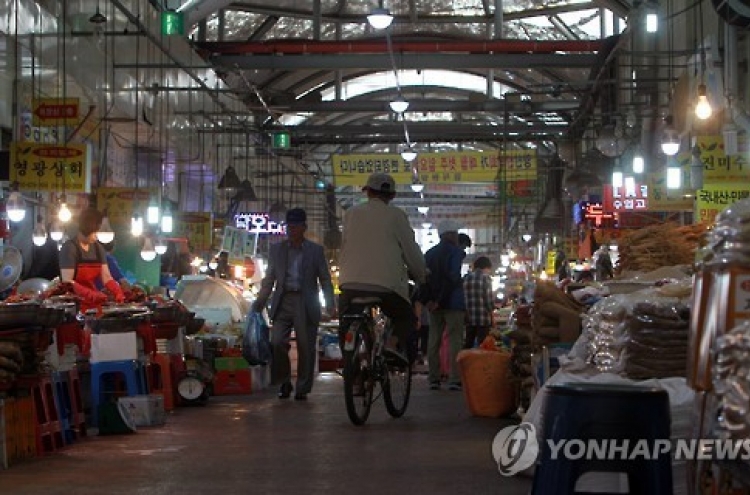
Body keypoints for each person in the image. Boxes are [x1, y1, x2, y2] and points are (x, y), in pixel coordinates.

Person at [338, 172, 427, 363]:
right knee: (406, 318)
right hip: (386, 287)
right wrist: (420, 274)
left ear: (368, 192)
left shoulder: (351, 214)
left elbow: (345, 245)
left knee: (346, 321)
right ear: (392, 196)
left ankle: (351, 370)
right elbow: (411, 251)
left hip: (349, 283)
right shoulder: (397, 215)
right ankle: (391, 344)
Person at [251, 208, 335, 401]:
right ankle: (283, 382)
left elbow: (324, 279)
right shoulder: (277, 250)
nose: (291, 230)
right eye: (289, 226)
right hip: (283, 300)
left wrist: (330, 303)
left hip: (306, 302)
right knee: (277, 342)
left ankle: (303, 387)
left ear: (303, 227)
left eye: (295, 226)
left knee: (306, 346)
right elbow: (269, 279)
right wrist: (259, 302)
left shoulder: (315, 251)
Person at [422, 219, 466, 391]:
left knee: (434, 340)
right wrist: (441, 299)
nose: (456, 237)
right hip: (453, 302)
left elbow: (424, 279)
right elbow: (453, 277)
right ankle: (454, 379)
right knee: (455, 340)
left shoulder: (429, 253)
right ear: (449, 235)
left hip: (434, 304)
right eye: (455, 233)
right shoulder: (456, 252)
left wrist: (431, 301)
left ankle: (433, 378)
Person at [59, 208, 125, 312]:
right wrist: (91, 294)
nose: (97, 237)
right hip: (74, 306)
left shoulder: (98, 248)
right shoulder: (70, 248)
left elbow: (106, 277)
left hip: (93, 307)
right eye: (95, 233)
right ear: (87, 228)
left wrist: (118, 292)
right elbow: (68, 282)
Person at [463, 256, 494, 349]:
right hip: (483, 318)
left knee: (468, 343)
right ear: (486, 267)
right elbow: (488, 301)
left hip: (469, 318)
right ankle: (480, 363)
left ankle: (466, 362)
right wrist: (492, 317)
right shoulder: (486, 278)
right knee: (483, 345)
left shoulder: (466, 278)